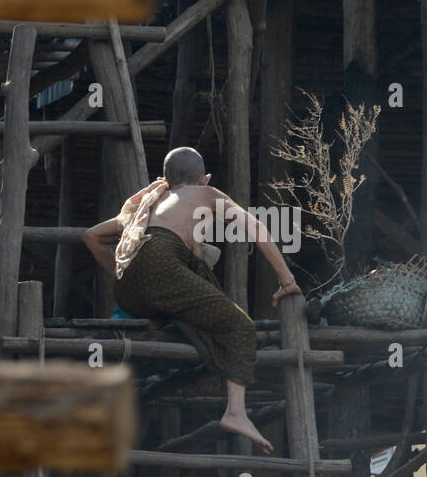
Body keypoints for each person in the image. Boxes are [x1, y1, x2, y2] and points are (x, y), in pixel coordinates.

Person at [82, 147, 302, 452]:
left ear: (167, 178)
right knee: (241, 326)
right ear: (204, 178)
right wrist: (287, 281)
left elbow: (91, 236)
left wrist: (125, 276)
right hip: (162, 265)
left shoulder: (152, 200)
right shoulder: (206, 194)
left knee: (192, 279)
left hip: (129, 289)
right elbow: (256, 226)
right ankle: (235, 412)